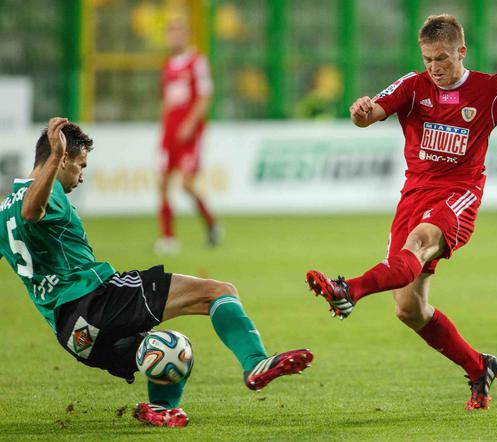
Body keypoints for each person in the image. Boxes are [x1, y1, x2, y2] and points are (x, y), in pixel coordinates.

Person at [306, 14, 497, 411]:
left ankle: (346, 290)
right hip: (414, 195)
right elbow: (370, 116)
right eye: (427, 59)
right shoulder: (412, 85)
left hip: (459, 195)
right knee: (409, 309)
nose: (434, 68)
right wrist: (360, 113)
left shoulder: (491, 90)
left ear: (461, 52)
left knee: (419, 244)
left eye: (441, 58)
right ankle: (479, 367)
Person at [0, 118, 313, 427]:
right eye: (81, 165)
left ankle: (159, 409)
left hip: (72, 334)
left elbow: (22, 217)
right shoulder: (49, 189)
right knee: (218, 292)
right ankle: (255, 362)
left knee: (172, 348)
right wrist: (55, 157)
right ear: (63, 157)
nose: (81, 177)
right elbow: (32, 211)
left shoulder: (3, 212)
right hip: (96, 299)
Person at [157, 17, 219, 254]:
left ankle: (211, 223)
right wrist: (164, 129)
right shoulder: (168, 65)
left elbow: (204, 97)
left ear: (186, 35)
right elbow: (166, 102)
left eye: (177, 32)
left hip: (190, 135)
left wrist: (189, 125)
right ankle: (168, 237)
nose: (173, 37)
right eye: (170, 32)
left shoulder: (196, 61)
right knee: (162, 182)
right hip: (169, 134)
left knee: (185, 184)